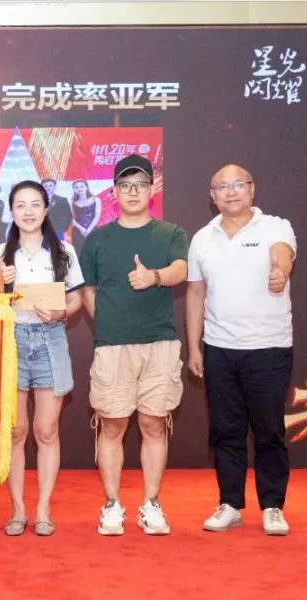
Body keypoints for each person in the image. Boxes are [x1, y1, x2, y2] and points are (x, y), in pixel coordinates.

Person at [79, 154, 188, 536]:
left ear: (151, 188)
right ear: (114, 191)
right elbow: (88, 290)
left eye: (140, 184)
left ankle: (151, 505)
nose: (133, 192)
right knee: (112, 425)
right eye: (125, 185)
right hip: (112, 346)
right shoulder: (97, 239)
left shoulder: (171, 233)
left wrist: (153, 276)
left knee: (153, 423)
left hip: (160, 343)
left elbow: (180, 270)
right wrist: (109, 322)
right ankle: (112, 505)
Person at [185, 164, 296, 537]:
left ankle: (273, 506)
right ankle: (230, 503)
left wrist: (280, 272)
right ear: (212, 195)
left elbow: (283, 255)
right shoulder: (203, 238)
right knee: (225, 430)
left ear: (252, 189)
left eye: (238, 184)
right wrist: (194, 347)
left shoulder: (275, 227)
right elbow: (195, 293)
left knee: (269, 430)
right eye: (222, 186)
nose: (231, 191)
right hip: (219, 348)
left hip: (268, 347)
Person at [0, 180, 84, 537]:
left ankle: (43, 509)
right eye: (21, 205)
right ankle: (18, 510)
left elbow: (75, 299)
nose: (28, 212)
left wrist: (61, 313)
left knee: (46, 430)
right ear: (11, 211)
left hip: (49, 339)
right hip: (10, 341)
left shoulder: (63, 251)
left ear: (46, 209)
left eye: (35, 204)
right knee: (15, 431)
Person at [69, 179, 101, 253]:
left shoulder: (96, 200)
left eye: (81, 186)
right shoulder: (72, 202)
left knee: (94, 252)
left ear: (86, 187)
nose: (79, 189)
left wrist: (88, 230)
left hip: (93, 229)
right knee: (80, 253)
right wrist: (81, 229)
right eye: (76, 187)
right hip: (78, 231)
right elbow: (70, 218)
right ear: (74, 189)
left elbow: (97, 216)